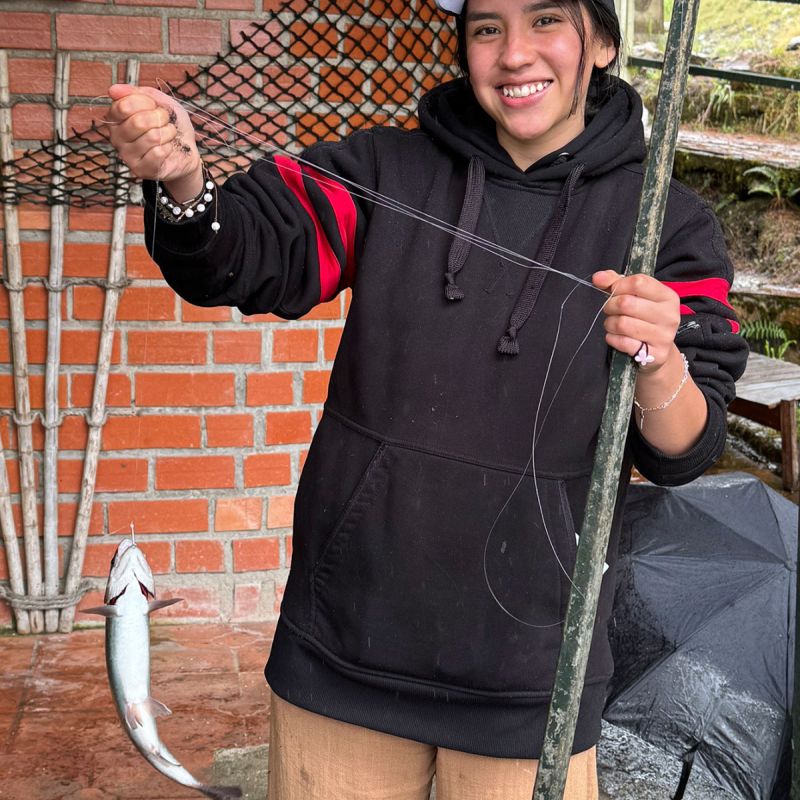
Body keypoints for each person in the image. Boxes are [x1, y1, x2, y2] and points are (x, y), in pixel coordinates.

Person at [105, 0, 748, 797]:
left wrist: (659, 360)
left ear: (604, 41)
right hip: (343, 657)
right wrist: (181, 180)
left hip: (533, 686)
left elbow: (685, 448)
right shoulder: (383, 168)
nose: (514, 54)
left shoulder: (668, 225)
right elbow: (242, 253)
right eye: (487, 28)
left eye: (546, 20)